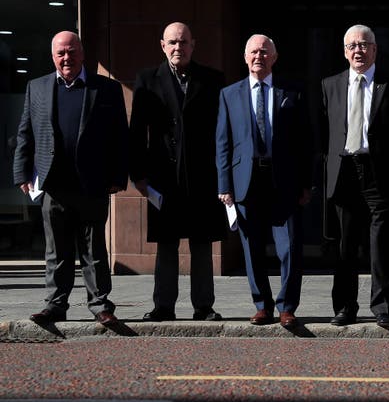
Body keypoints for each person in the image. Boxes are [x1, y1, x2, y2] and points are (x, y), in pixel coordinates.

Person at [12, 31, 128, 326]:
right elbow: (26, 132)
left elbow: (119, 137)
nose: (67, 58)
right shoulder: (36, 88)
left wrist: (118, 175)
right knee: (56, 251)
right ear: (53, 56)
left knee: (94, 250)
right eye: (61, 53)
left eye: (72, 51)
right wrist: (21, 172)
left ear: (82, 53)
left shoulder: (107, 89)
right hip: (53, 184)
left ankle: (100, 305)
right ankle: (55, 305)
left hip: (92, 183)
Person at [129, 22, 227, 322]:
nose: (177, 48)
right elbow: (136, 133)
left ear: (193, 45)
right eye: (172, 42)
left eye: (183, 42)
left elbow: (222, 132)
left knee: (201, 244)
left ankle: (203, 307)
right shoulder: (147, 79)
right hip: (163, 178)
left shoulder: (212, 80)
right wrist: (139, 176)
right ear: (162, 45)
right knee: (167, 245)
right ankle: (163, 307)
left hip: (202, 176)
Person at [216, 34, 312, 328]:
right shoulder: (229, 94)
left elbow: (306, 141)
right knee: (252, 248)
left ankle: (287, 307)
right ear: (246, 57)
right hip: (246, 181)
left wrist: (307, 183)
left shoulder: (292, 92)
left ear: (275, 57)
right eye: (254, 52)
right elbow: (223, 142)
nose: (259, 56)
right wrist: (224, 185)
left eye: (265, 52)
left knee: (290, 247)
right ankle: (262, 306)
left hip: (284, 181)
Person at [320, 24, 389, 329]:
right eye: (352, 46)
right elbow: (323, 134)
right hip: (344, 170)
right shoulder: (329, 85)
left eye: (364, 45)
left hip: (379, 174)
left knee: (382, 244)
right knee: (346, 246)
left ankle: (382, 307)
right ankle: (345, 307)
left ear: (375, 50)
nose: (358, 50)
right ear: (345, 52)